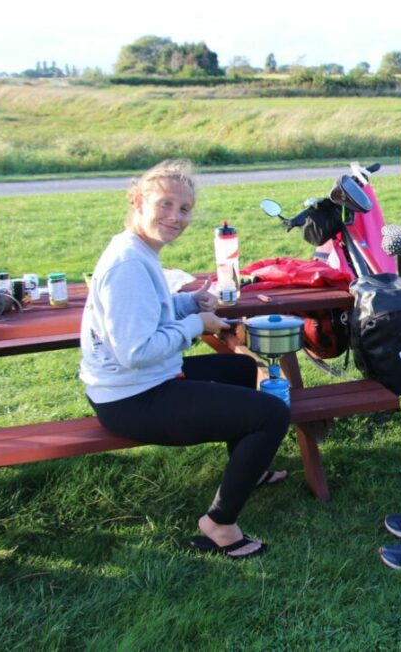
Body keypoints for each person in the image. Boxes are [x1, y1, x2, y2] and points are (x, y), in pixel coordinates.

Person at [79, 159, 291, 560]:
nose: (176, 217)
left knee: (242, 368)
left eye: (184, 209)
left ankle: (249, 467)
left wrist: (188, 302)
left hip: (138, 383)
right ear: (139, 202)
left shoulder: (137, 250)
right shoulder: (128, 264)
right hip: (132, 399)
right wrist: (197, 323)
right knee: (271, 415)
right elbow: (135, 352)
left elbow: (150, 309)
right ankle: (219, 526)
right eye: (165, 205)